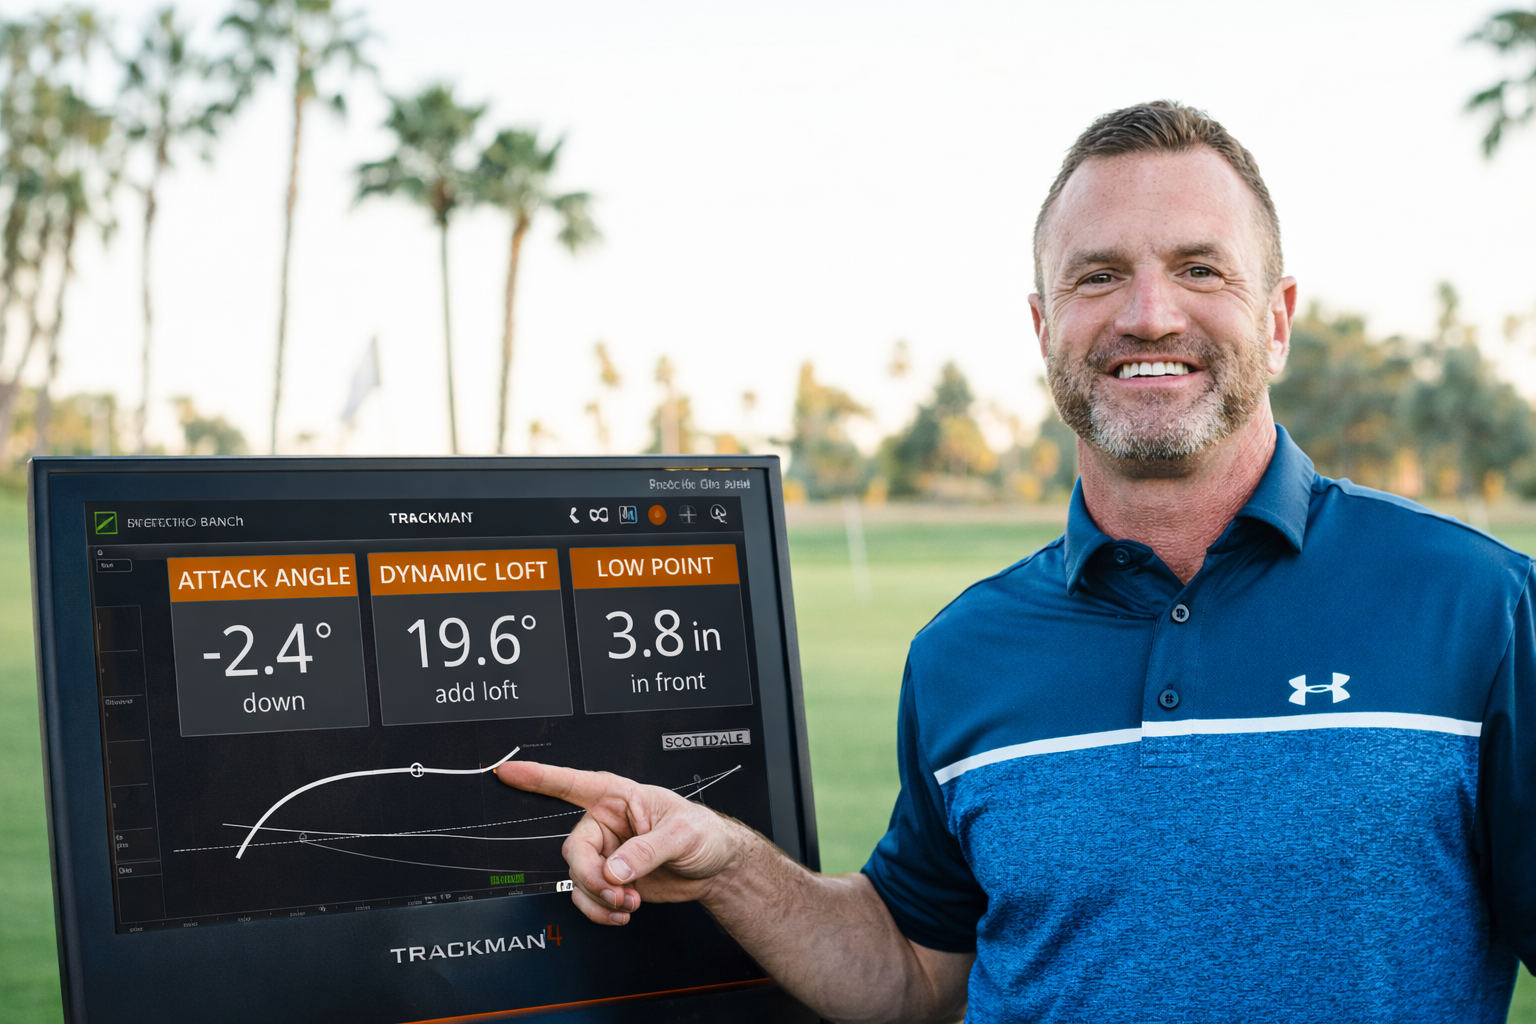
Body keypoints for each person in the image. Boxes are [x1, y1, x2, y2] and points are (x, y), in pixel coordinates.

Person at [498, 101, 1535, 1023]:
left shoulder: (1477, 603)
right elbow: (910, 970)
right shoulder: (962, 652)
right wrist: (729, 864)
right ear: (1044, 328)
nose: (1149, 314)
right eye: (1098, 277)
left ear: (1277, 318)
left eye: (1200, 267)